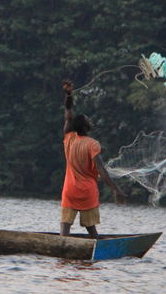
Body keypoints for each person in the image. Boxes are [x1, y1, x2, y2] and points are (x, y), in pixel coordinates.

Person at [59, 80, 125, 238]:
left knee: (65, 227)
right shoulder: (93, 144)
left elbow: (68, 110)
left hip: (70, 190)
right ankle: (96, 245)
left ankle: (62, 245)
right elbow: (101, 169)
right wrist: (116, 189)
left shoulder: (69, 137)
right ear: (85, 127)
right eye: (89, 120)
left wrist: (68, 94)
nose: (91, 121)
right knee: (92, 230)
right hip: (87, 191)